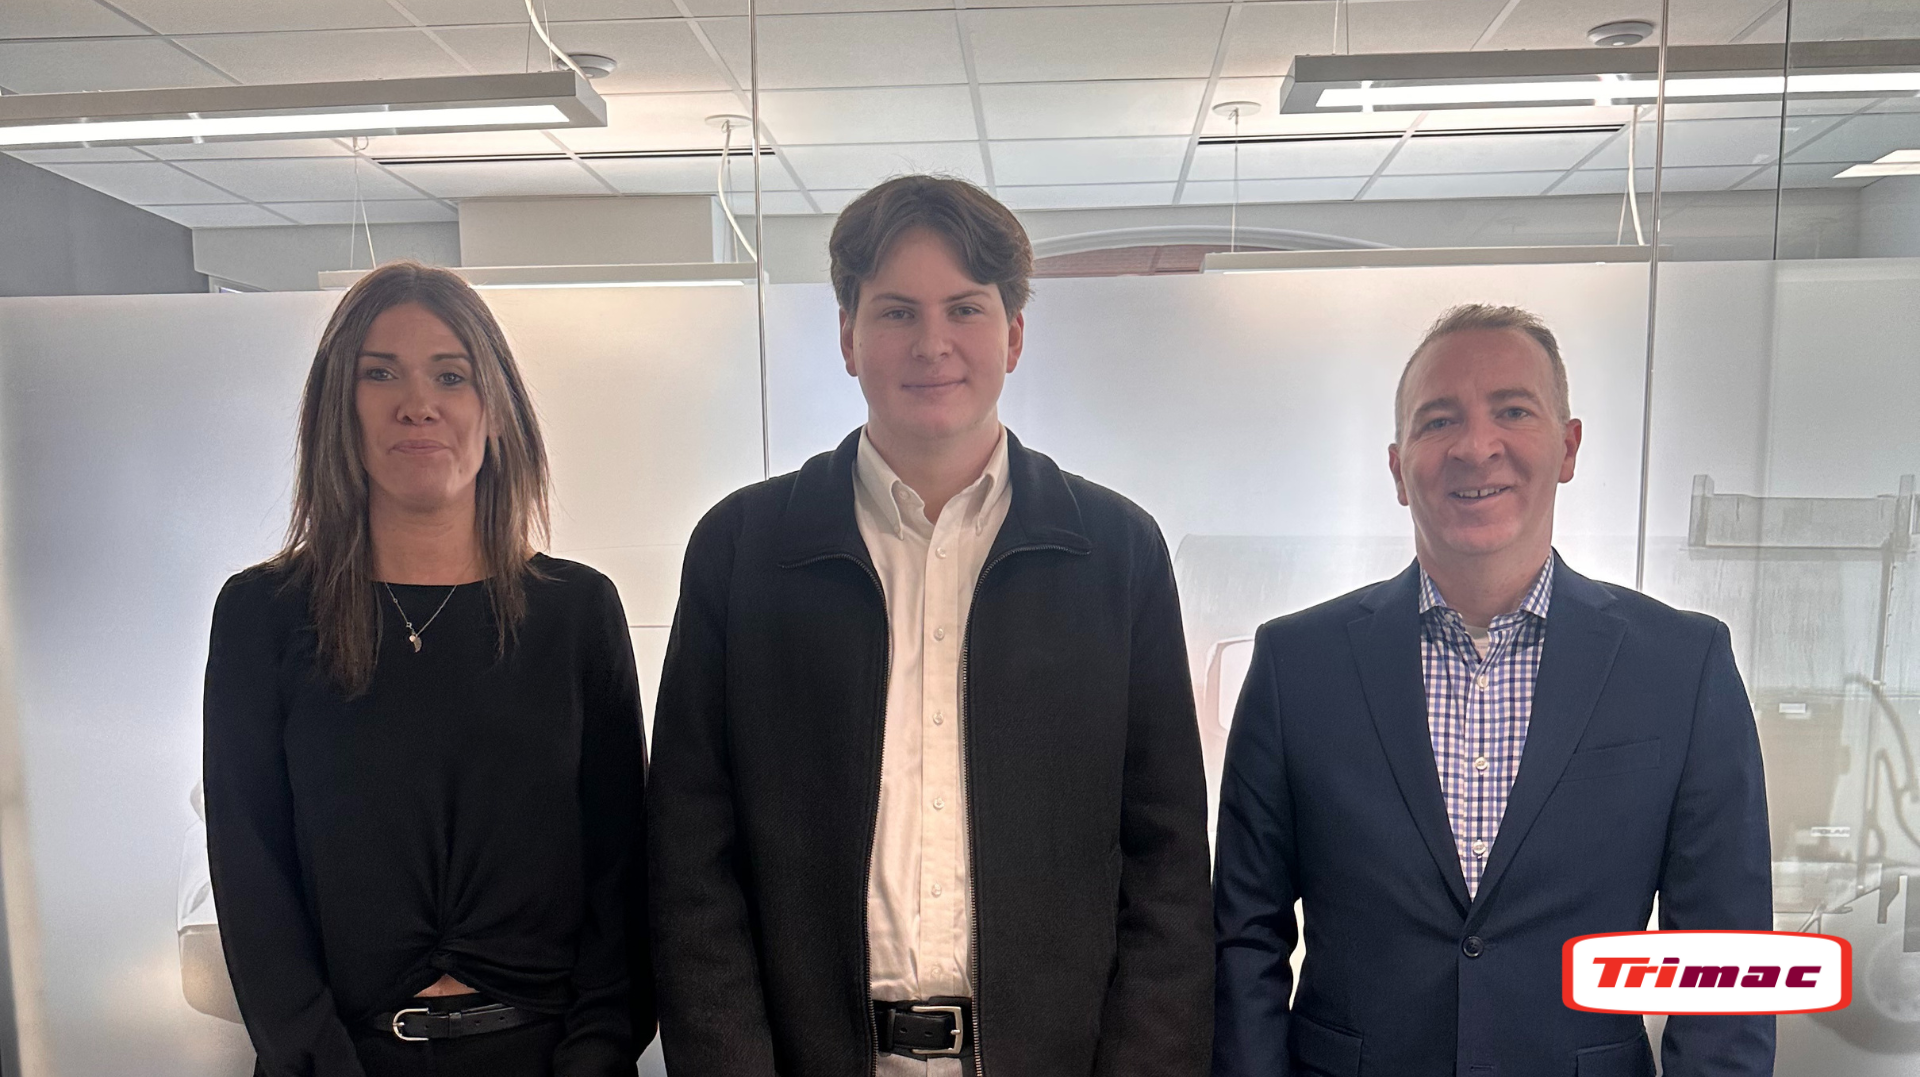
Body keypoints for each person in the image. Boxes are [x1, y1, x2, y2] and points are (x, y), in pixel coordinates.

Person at [648, 175, 1212, 1077]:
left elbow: (1169, 865)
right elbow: (690, 864)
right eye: (897, 311)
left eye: (965, 308)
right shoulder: (744, 552)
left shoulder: (1116, 553)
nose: (933, 344)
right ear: (846, 336)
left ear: (1015, 334)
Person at [1212, 304, 1774, 1077]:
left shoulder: (1682, 665)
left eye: (1513, 410)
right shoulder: (1296, 664)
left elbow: (1723, 959)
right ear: (1398, 466)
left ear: (1568, 445)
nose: (1477, 447)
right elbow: (1244, 936)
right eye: (1438, 421)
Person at [203, 262, 651, 1077]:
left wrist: (597, 1054)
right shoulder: (263, 614)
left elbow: (622, 874)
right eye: (381, 374)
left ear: (498, 410)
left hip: (548, 1057)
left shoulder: (576, 613)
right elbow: (250, 870)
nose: (419, 403)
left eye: (452, 373)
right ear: (340, 405)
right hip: (344, 1059)